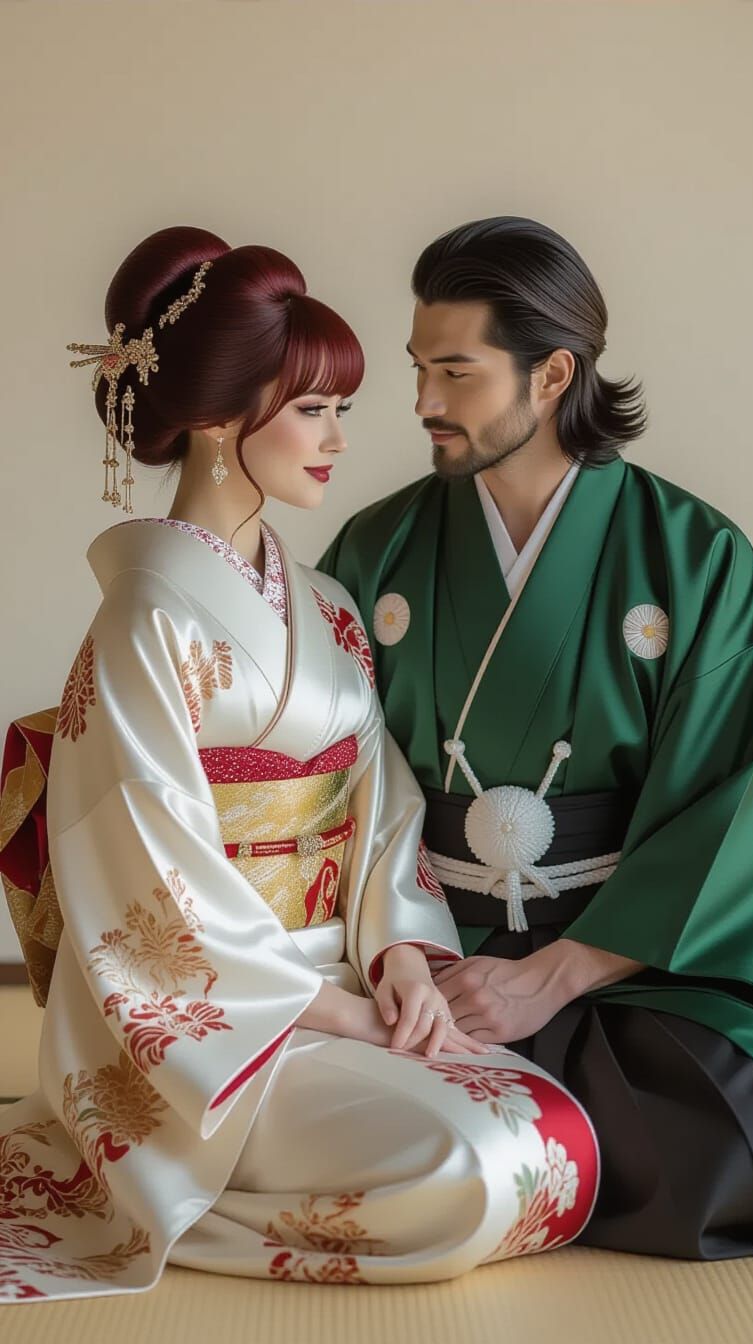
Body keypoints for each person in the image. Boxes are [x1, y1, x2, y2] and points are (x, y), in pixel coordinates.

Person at [0, 227, 598, 1304]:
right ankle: (180, 1196)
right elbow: (148, 876)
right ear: (219, 422)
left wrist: (402, 960)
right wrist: (336, 1014)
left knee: (554, 1138)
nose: (337, 439)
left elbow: (382, 807)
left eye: (341, 410)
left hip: (344, 984)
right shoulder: (142, 621)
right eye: (314, 410)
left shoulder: (323, 604)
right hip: (221, 1028)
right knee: (477, 1166)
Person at [319, 216, 753, 1261]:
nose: (423, 401)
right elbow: (337, 789)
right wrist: (403, 957)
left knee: (722, 1143)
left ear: (554, 374)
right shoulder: (377, 549)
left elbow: (735, 797)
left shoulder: (696, 557)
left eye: (456, 372)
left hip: (624, 965)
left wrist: (559, 972)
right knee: (317, 1103)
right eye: (419, 368)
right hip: (426, 959)